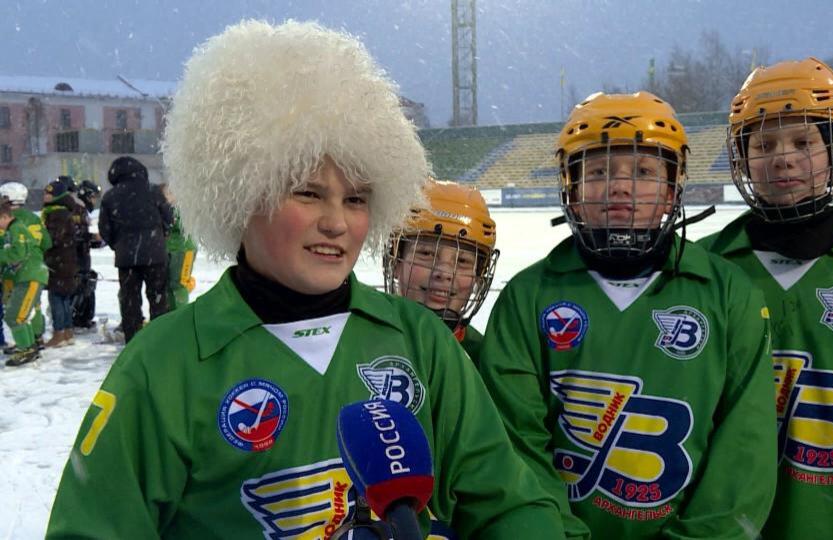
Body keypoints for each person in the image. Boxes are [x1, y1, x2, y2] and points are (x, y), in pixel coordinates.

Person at [47, 20, 568, 540]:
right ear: (241, 192)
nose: (338, 223)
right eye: (308, 193)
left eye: (357, 198)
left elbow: (507, 501)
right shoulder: (164, 363)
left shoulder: (419, 339)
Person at [478, 91, 778, 538]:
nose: (620, 187)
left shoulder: (728, 294)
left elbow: (744, 453)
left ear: (672, 189)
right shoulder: (527, 298)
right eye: (598, 171)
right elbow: (515, 450)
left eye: (643, 171)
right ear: (571, 190)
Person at [698, 57, 833, 539]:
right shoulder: (703, 270)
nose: (782, 158)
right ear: (741, 158)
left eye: (803, 142)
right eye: (763, 144)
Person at [383, 179, 499, 361]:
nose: (444, 273)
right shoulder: (358, 341)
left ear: (478, 277)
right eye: (427, 253)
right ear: (396, 263)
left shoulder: (487, 361)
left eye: (462, 261)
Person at [98, 156, 174, 342]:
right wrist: (159, 237)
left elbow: (104, 228)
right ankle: (160, 339)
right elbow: (168, 218)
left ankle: (133, 341)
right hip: (155, 255)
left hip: (126, 258)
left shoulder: (110, 196)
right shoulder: (154, 191)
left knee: (130, 300)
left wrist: (118, 245)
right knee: (158, 298)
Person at [0, 181, 50, 351]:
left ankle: (25, 345)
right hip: (34, 267)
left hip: (13, 270)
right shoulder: (34, 217)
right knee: (32, 306)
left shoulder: (7, 219)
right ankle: (37, 337)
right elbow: (46, 242)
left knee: (14, 310)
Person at [41, 179, 79, 347]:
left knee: (56, 297)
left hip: (59, 262)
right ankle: (68, 331)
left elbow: (52, 238)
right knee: (63, 298)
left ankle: (59, 333)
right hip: (66, 261)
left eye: (48, 193)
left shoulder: (57, 214)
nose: (45, 196)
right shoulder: (64, 211)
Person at [161, 183, 197, 309]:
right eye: (165, 194)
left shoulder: (183, 207)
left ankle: (180, 311)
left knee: (179, 284)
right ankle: (172, 311)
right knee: (169, 284)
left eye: (169, 193)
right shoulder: (165, 208)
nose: (167, 197)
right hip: (170, 249)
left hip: (183, 249)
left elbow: (182, 226)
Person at [71, 179, 101, 329]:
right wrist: (92, 238)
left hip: (80, 256)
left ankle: (82, 317)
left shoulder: (82, 209)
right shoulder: (77, 209)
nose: (95, 201)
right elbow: (77, 234)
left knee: (86, 284)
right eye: (94, 197)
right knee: (81, 286)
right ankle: (79, 318)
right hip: (76, 257)